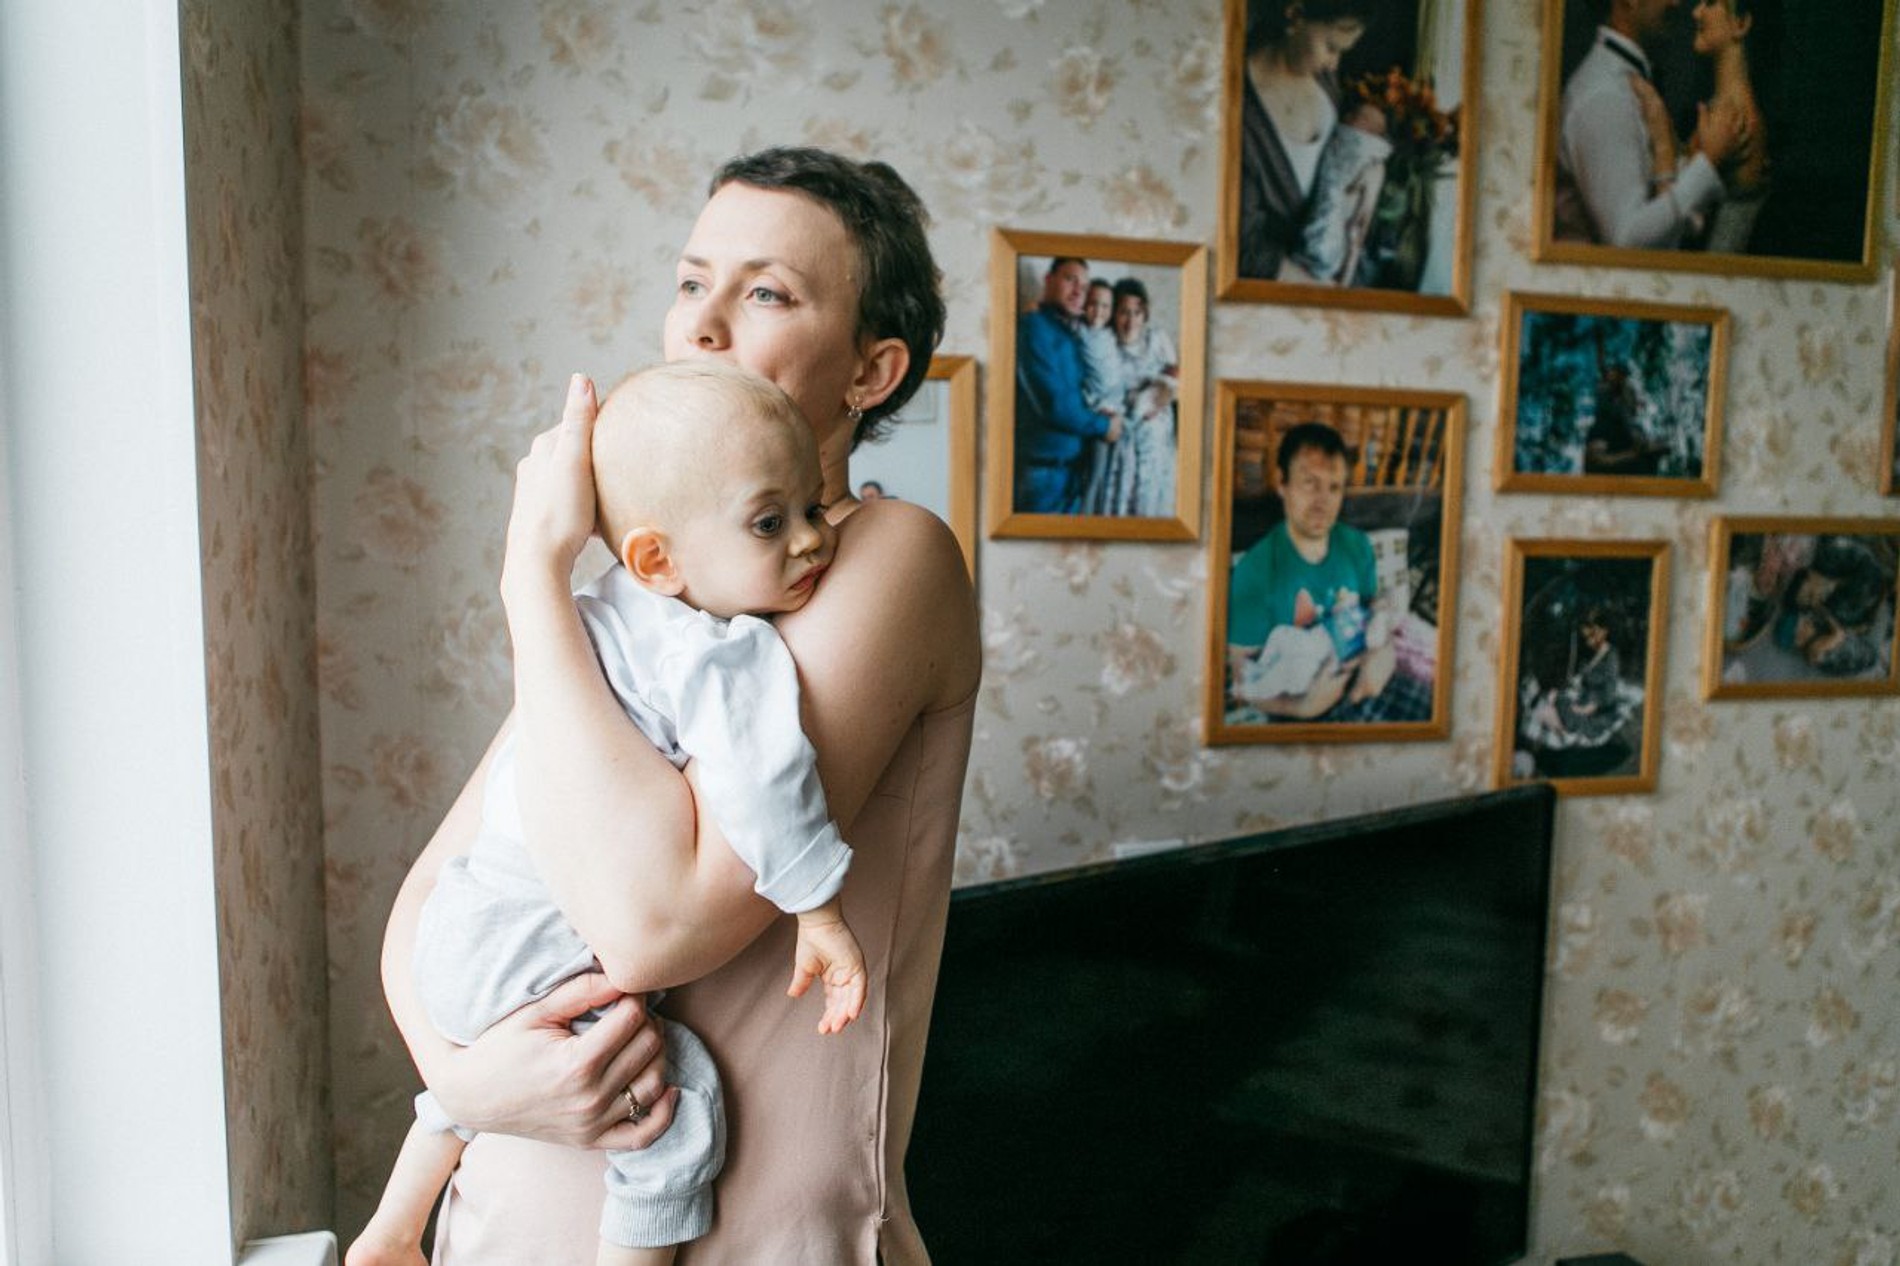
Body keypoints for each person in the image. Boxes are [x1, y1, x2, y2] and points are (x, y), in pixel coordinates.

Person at [381, 147, 981, 1265]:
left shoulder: (887, 559)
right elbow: (428, 902)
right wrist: (466, 1085)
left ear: (871, 368)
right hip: (504, 1220)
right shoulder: (646, 600)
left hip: (756, 1239)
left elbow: (654, 928)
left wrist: (530, 577)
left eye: (766, 293)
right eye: (691, 281)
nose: (701, 325)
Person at [348, 363, 870, 1266]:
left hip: (461, 936)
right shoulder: (716, 651)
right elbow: (767, 779)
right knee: (676, 1116)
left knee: (493, 1049)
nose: (812, 541)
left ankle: (394, 1228)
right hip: (539, 945)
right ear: (657, 560)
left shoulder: (581, 622)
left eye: (814, 508)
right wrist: (818, 911)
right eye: (769, 522)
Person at [1225, 421, 1429, 723]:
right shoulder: (1253, 572)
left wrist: (1383, 654)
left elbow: (1375, 613)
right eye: (1310, 483)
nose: (1323, 502)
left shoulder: (1357, 546)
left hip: (1370, 679)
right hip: (1303, 708)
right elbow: (1243, 682)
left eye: (1334, 488)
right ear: (1282, 483)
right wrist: (1303, 707)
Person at [1552, 0, 1746, 249]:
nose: (1676, 3)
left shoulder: (1626, 83)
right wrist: (1707, 163)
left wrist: (1679, 159)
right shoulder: (1604, 95)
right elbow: (1627, 239)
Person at [1235, 0, 1381, 282]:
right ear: (1295, 15)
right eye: (1331, 47)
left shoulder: (1324, 81)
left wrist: (1372, 174)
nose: (1334, 63)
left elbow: (1348, 145)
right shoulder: (1243, 113)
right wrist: (1316, 292)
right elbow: (1246, 248)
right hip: (1285, 285)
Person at [1014, 256, 1123, 513]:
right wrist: (1104, 425)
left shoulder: (1071, 330)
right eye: (1070, 280)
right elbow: (1054, 404)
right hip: (1045, 474)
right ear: (1048, 280)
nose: (1078, 292)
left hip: (1073, 473)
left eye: (1084, 287)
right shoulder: (1035, 328)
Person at [1085, 278, 1178, 517]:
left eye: (1137, 313)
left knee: (1151, 499)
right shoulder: (1106, 346)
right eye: (1124, 312)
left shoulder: (1156, 340)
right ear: (1114, 314)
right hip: (1122, 431)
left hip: (1154, 431)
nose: (1131, 320)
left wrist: (1160, 395)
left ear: (1144, 314)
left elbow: (1175, 377)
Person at [1524, 607, 1626, 747]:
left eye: (1592, 634)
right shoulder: (1591, 653)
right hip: (1581, 700)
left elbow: (1609, 694)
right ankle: (1554, 723)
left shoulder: (1611, 657)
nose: (1588, 640)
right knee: (1550, 695)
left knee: (1555, 707)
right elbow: (1582, 678)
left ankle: (1559, 728)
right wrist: (1573, 687)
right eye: (1587, 636)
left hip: (1595, 712)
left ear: (1604, 631)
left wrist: (1588, 707)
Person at [1582, 363, 1668, 474]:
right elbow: (1597, 461)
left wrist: (1655, 449)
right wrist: (1636, 454)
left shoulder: (1635, 430)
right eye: (1630, 393)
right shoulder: (1603, 427)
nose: (1635, 400)